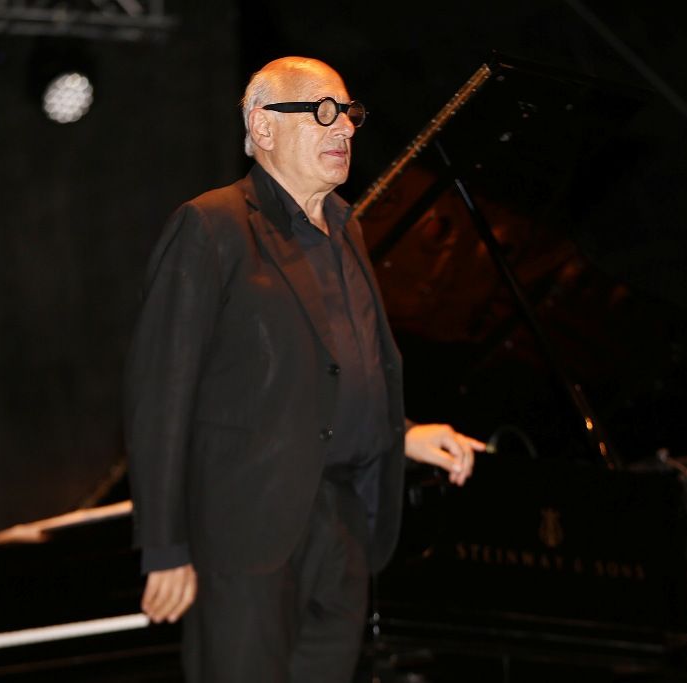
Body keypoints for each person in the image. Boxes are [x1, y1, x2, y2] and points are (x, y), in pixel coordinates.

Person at [124, 56, 484, 683]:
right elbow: (160, 392)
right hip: (245, 530)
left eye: (349, 113)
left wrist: (402, 434)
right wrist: (164, 546)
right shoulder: (212, 226)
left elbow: (334, 369)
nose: (343, 127)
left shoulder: (347, 227)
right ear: (263, 127)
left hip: (342, 526)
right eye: (322, 112)